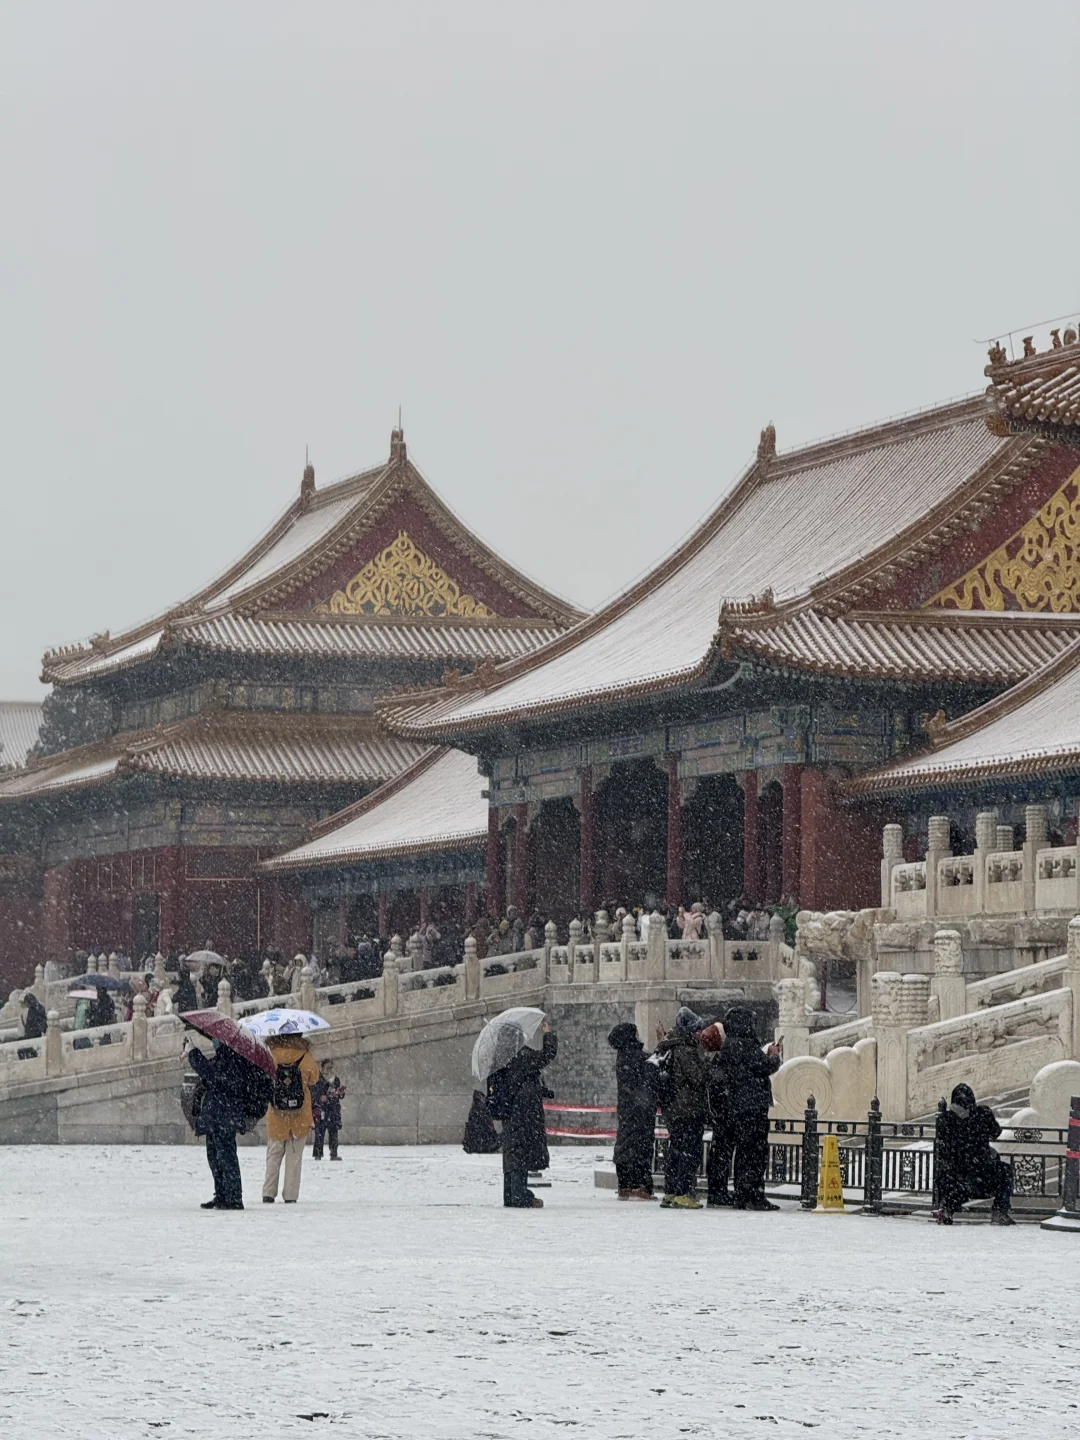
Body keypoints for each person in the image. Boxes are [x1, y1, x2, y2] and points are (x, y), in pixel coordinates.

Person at [183, 1036, 270, 1210]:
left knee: (226, 1157)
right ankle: (222, 1194)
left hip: (224, 1116)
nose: (214, 1042)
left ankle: (233, 1197)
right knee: (215, 1157)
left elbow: (210, 1074)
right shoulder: (226, 1058)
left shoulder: (233, 1060)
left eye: (216, 1039)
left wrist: (193, 1052)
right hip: (217, 1116)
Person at [720, 1007, 781, 1209]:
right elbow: (763, 1067)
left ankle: (742, 1193)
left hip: (738, 1105)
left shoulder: (730, 1045)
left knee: (743, 1152)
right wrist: (773, 1055)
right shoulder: (745, 1044)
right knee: (755, 1152)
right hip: (753, 1105)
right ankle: (753, 1194)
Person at [491, 1021, 558, 1208]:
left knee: (512, 1152)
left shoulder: (500, 1058)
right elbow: (547, 1055)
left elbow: (520, 1083)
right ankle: (520, 1195)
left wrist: (542, 1091)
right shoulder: (521, 1056)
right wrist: (548, 1034)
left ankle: (511, 1194)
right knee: (520, 1152)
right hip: (524, 1113)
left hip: (509, 1112)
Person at [936, 1083, 1014, 1225]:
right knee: (1005, 1171)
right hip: (982, 1171)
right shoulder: (982, 1114)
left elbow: (942, 1143)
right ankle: (1000, 1212)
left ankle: (947, 1209)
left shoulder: (945, 1119)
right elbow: (996, 1132)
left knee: (952, 1182)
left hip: (956, 1172)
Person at [654, 1007, 708, 1209]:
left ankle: (671, 1192)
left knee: (675, 1149)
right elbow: (698, 1078)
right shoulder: (685, 1049)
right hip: (688, 1108)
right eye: (696, 1030)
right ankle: (683, 1193)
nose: (699, 1034)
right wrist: (708, 1062)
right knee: (688, 1151)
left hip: (672, 1109)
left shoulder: (667, 1046)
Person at [262, 1035, 320, 1204]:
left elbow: (264, 1076)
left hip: (276, 1113)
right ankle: (290, 1195)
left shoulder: (271, 1054)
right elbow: (314, 1078)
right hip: (299, 1115)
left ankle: (268, 1192)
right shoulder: (305, 1056)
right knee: (294, 1159)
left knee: (273, 1155)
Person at [608, 1022, 658, 1200]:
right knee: (641, 1146)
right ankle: (640, 1185)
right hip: (640, 1109)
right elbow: (653, 1070)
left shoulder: (623, 1056)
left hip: (629, 1108)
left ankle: (626, 1184)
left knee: (626, 1142)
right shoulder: (636, 1057)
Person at [699, 1022, 734, 1205]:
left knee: (718, 1152)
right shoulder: (720, 1062)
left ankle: (716, 1189)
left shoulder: (710, 1061)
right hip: (722, 1114)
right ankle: (718, 1191)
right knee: (721, 1154)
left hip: (717, 1113)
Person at [311, 1059, 346, 1161]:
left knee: (333, 1131)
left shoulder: (335, 1079)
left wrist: (340, 1092)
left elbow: (339, 1094)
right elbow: (313, 1092)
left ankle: (333, 1153)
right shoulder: (317, 1079)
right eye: (328, 1067)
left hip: (333, 1108)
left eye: (331, 1067)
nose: (330, 1070)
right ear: (322, 1068)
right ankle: (318, 1154)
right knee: (319, 1132)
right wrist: (320, 1097)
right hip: (321, 1108)